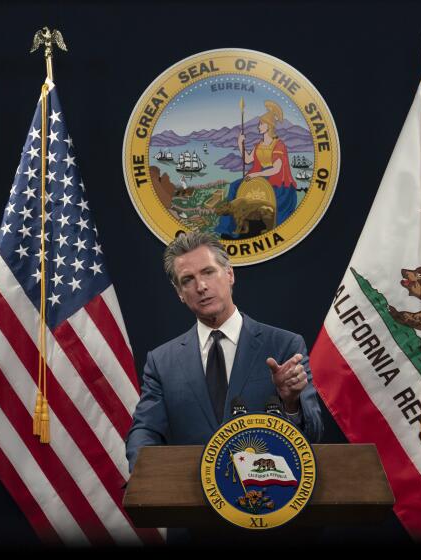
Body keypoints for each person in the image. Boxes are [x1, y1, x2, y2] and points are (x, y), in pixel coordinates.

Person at [125, 231, 323, 473]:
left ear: (229, 274)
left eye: (208, 272)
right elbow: (145, 430)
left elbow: (314, 434)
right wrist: (144, 474)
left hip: (267, 495)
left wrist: (290, 401)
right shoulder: (162, 362)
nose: (201, 286)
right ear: (179, 293)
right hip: (190, 500)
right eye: (188, 280)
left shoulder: (284, 345)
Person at [214, 100, 298, 238]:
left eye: (261, 124)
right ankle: (228, 227)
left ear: (269, 126)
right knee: (235, 186)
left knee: (277, 195)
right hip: (259, 175)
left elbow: (276, 169)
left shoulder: (279, 145)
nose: (258, 126)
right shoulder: (258, 144)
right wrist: (240, 144)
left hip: (274, 178)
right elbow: (247, 160)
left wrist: (256, 175)